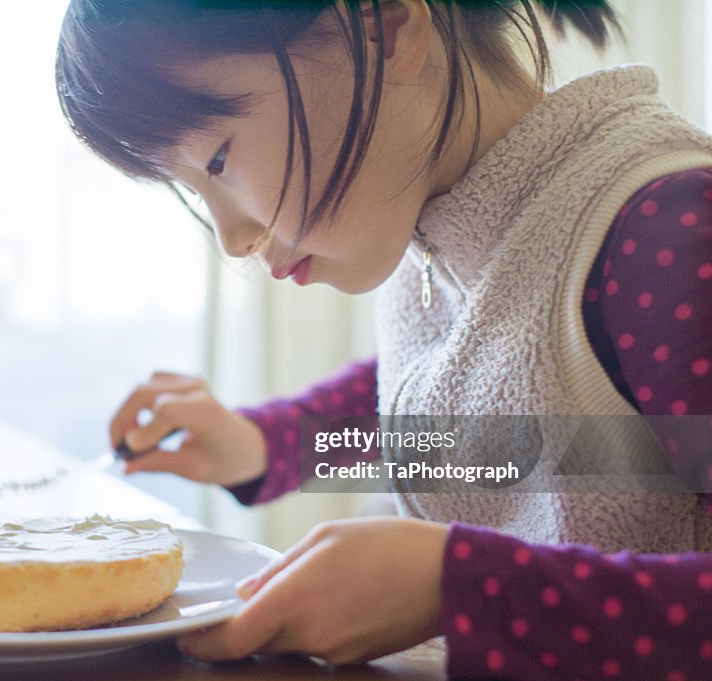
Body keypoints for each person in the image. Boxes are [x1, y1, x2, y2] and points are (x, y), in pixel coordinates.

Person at [55, 1, 712, 678]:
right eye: (192, 191)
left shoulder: (665, 232)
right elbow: (467, 416)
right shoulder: (441, 227)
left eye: (218, 160)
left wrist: (461, 586)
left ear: (385, 26)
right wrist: (262, 444)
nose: (234, 239)